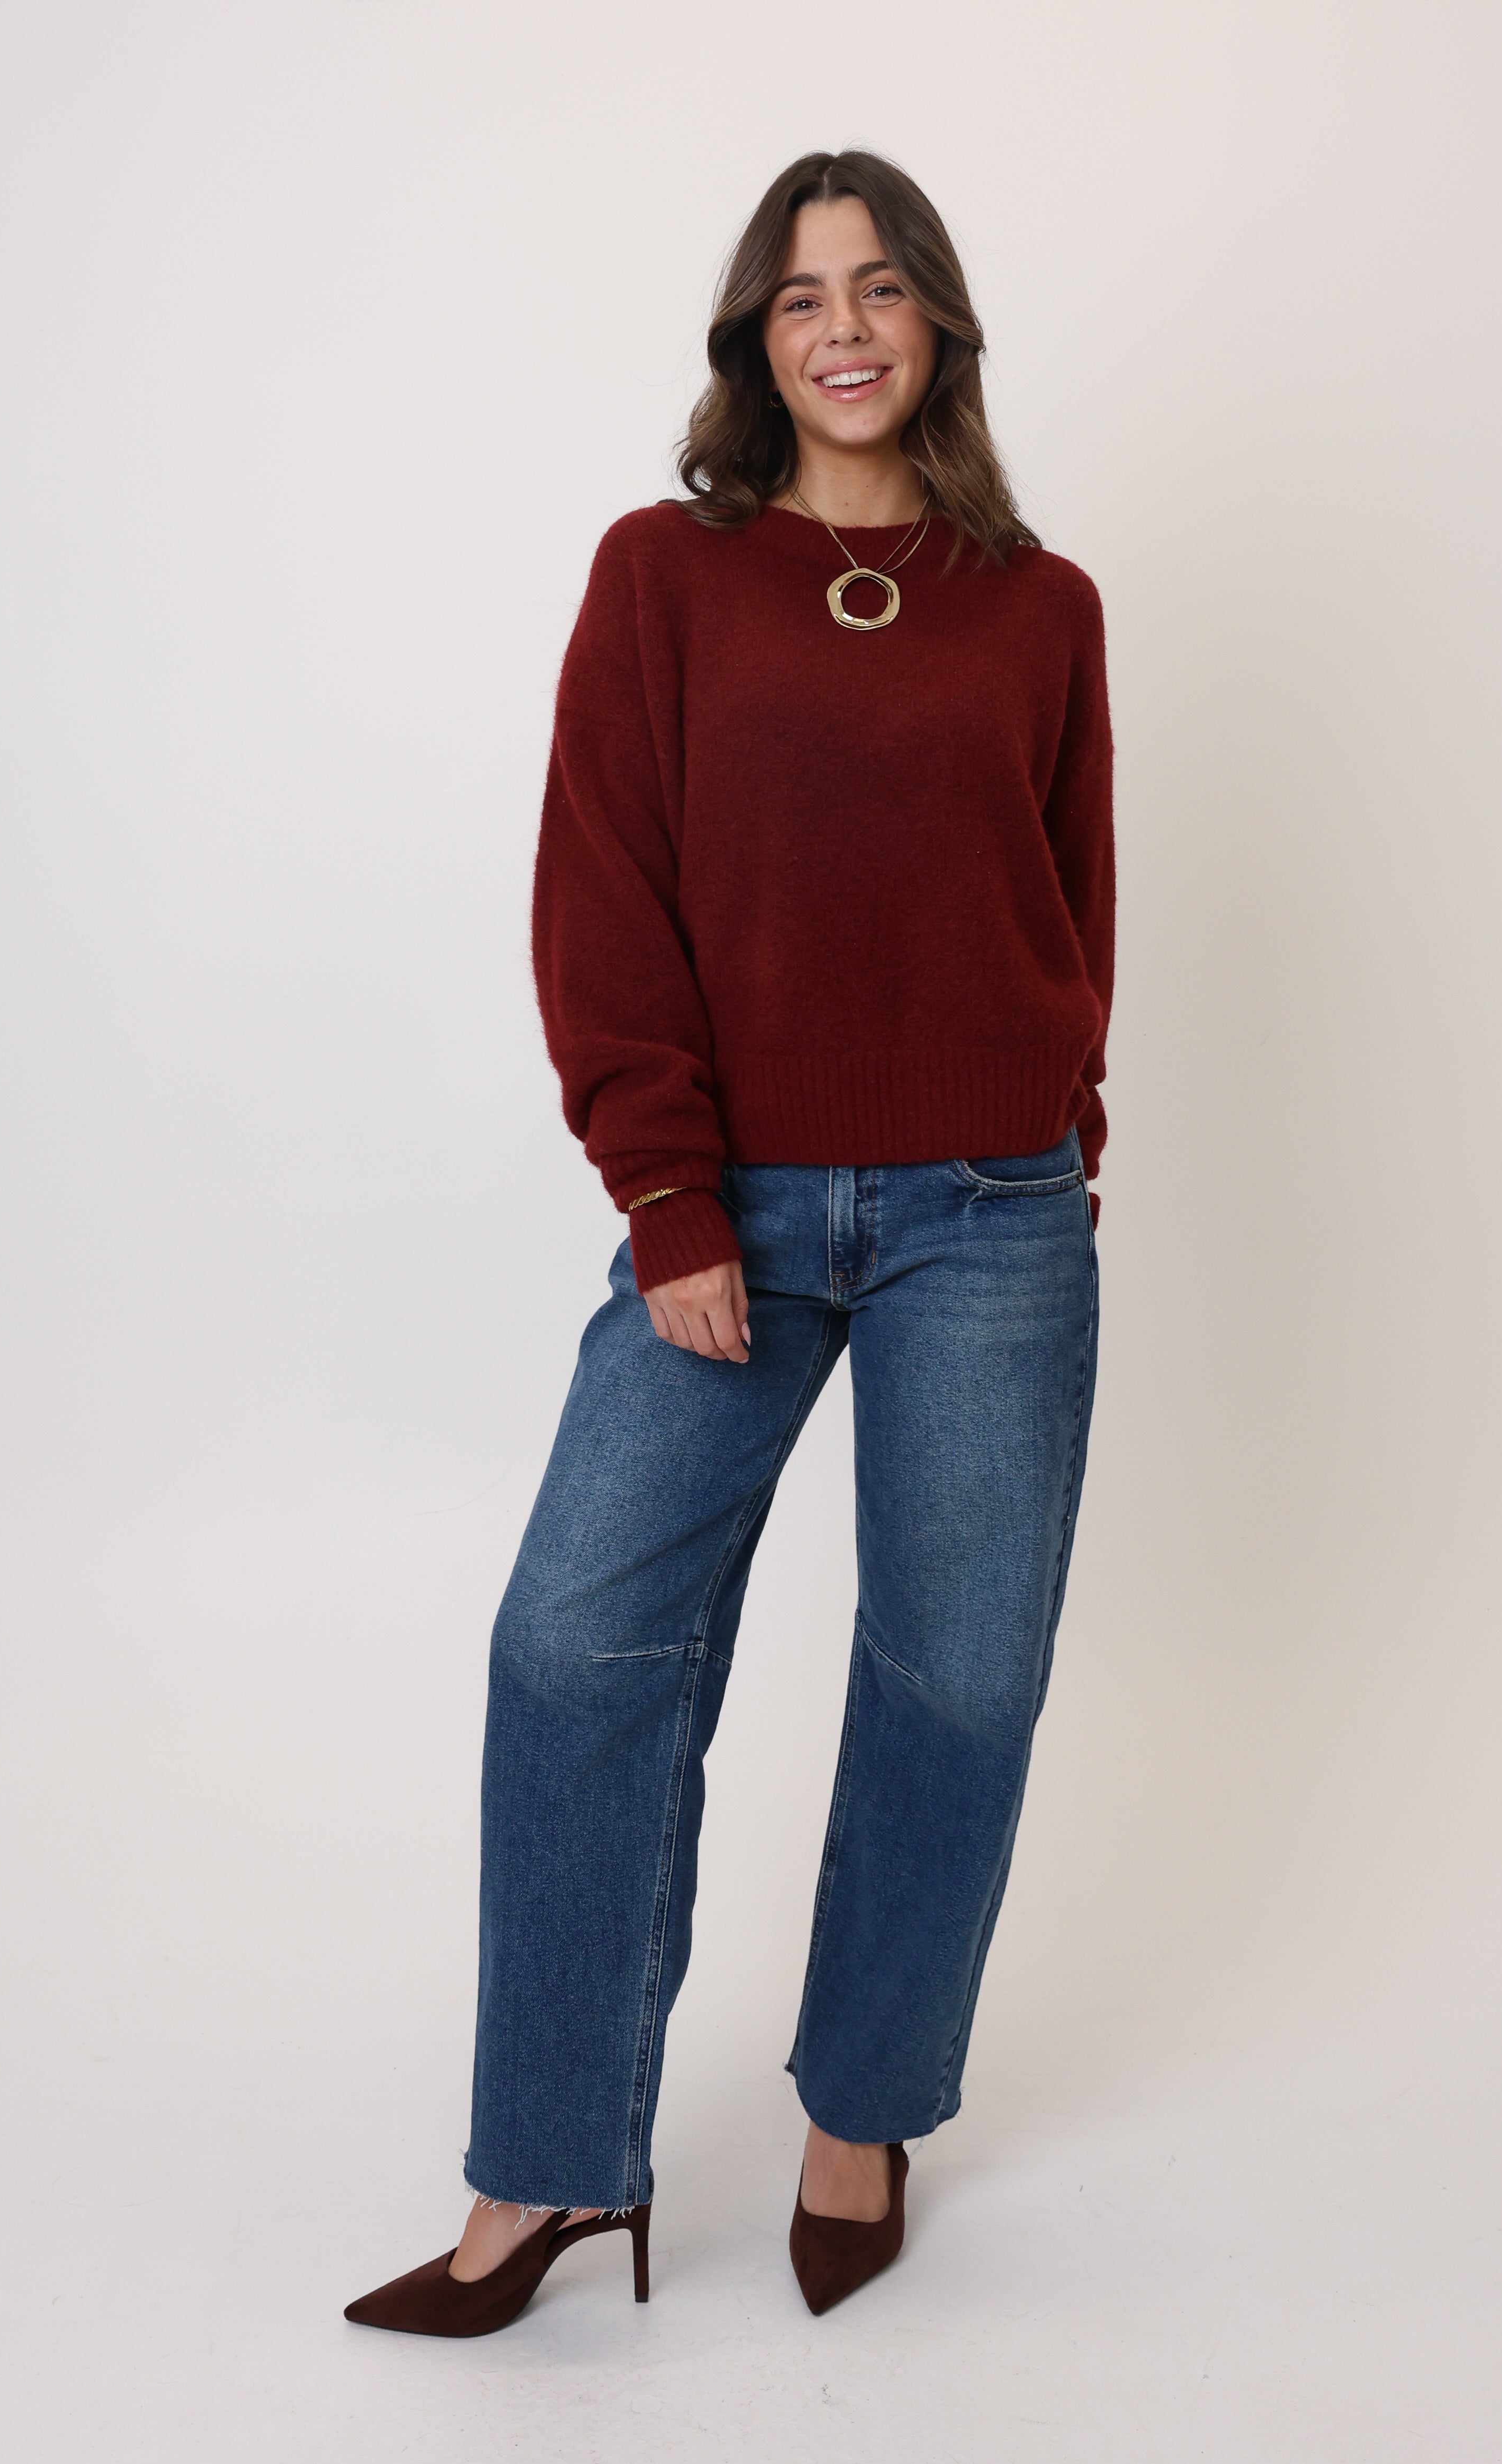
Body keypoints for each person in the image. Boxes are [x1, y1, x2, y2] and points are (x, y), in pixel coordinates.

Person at [343, 144, 1115, 2338]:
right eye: (796, 299)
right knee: (574, 1645)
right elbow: (601, 894)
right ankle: (547, 2175)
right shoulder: (661, 578)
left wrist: (1060, 1119)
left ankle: (862, 2109)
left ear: (937, 325)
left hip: (992, 1212)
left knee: (954, 1681)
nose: (841, 327)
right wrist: (670, 1191)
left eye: (878, 289)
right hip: (737, 1206)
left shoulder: (1038, 602)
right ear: (750, 343)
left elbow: (1067, 893)